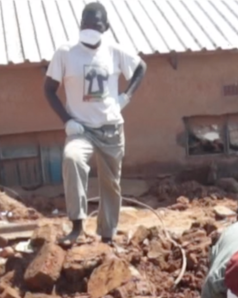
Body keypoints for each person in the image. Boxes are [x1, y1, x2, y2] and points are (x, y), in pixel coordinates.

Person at [43, 2, 147, 246]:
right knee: (72, 159)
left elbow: (141, 67)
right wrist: (67, 120)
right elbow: (48, 90)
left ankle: (107, 235)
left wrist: (126, 96)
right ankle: (77, 226)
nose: (91, 28)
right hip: (81, 130)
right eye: (87, 24)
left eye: (96, 25)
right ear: (80, 26)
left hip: (111, 130)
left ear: (106, 27)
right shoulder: (65, 53)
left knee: (110, 183)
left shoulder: (115, 51)